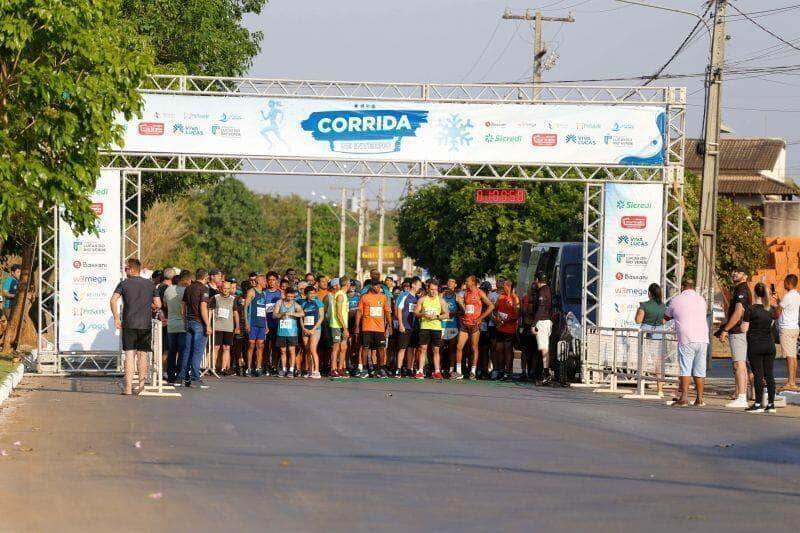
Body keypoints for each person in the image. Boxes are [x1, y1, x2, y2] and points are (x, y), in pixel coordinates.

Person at [109, 259, 161, 396]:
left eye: (126, 269)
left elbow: (113, 300)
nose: (125, 271)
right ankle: (141, 385)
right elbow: (158, 303)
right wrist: (149, 306)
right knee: (142, 355)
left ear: (131, 269)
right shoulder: (150, 285)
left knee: (129, 355)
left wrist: (116, 318)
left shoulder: (124, 284)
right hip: (145, 324)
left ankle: (127, 388)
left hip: (129, 323)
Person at [664, 278, 709, 407]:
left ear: (683, 287)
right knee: (700, 369)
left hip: (687, 338)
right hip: (702, 338)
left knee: (685, 369)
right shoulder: (701, 300)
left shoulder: (677, 300)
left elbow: (667, 316)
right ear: (693, 287)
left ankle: (683, 398)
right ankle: (699, 399)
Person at [716, 267, 752, 408]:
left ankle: (742, 397)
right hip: (737, 331)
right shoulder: (739, 289)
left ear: (745, 275)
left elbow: (738, 313)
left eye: (738, 272)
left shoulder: (742, 290)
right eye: (734, 271)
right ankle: (741, 395)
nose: (734, 273)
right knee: (739, 364)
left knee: (739, 364)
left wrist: (725, 329)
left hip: (737, 332)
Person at [741, 283, 777, 413]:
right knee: (769, 374)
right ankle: (771, 404)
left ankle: (757, 404)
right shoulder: (771, 309)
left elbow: (744, 328)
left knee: (758, 374)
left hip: (755, 345)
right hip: (769, 345)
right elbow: (772, 323)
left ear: (755, 293)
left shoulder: (751, 309)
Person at [455, 275, 494, 380]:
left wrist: (481, 317)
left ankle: (473, 371)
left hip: (474, 325)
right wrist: (460, 303)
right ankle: (458, 372)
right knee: (459, 346)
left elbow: (491, 306)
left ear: (472, 282)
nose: (466, 283)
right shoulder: (465, 293)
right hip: (465, 323)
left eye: (467, 281)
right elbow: (465, 308)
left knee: (474, 348)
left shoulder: (479, 292)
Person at [181, 268, 212, 389]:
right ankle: (195, 378)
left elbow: (182, 306)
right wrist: (208, 324)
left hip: (189, 321)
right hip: (199, 322)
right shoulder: (204, 289)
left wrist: (185, 320)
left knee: (187, 350)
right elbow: (203, 307)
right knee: (198, 351)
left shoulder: (188, 288)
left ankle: (183, 377)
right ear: (206, 277)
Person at [355, 278, 392, 378]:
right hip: (367, 327)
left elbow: (387, 312)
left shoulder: (383, 297)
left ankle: (381, 369)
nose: (377, 287)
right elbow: (359, 312)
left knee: (381, 349)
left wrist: (390, 326)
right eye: (375, 285)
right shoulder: (364, 297)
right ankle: (365, 369)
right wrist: (357, 327)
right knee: (365, 348)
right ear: (371, 286)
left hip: (380, 329)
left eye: (379, 285)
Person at [635, 283, 667, 396]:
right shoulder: (663, 306)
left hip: (645, 333)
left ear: (649, 293)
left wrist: (637, 311)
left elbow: (638, 320)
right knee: (658, 362)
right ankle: (660, 390)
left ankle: (640, 387)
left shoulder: (644, 305)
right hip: (658, 333)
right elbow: (664, 321)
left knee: (642, 360)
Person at [414, 279, 449, 380]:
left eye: (435, 289)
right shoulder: (422, 299)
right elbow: (415, 313)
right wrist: (423, 314)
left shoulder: (441, 301)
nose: (433, 291)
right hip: (425, 327)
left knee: (436, 350)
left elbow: (446, 314)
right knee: (422, 349)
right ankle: (420, 371)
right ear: (428, 289)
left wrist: (437, 316)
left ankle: (437, 371)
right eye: (431, 289)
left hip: (436, 328)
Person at [772, 273, 800, 391]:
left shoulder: (788, 296)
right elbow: (786, 307)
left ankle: (791, 382)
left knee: (789, 357)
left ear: (789, 283)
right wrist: (778, 299)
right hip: (794, 328)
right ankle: (793, 381)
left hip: (786, 329)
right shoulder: (797, 295)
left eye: (785, 282)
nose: (783, 284)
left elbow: (778, 312)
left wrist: (771, 316)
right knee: (793, 356)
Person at [163, 270, 191, 384]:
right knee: (183, 350)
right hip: (183, 323)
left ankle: (170, 375)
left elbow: (164, 304)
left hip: (171, 323)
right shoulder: (186, 291)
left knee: (172, 350)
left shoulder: (168, 289)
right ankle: (180, 374)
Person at [273, 287, 304, 377]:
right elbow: (274, 315)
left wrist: (292, 314)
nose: (290, 298)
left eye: (292, 296)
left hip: (292, 332)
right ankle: (283, 369)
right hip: (281, 331)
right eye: (288, 296)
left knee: (291, 350)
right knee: (283, 351)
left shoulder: (295, 304)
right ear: (285, 295)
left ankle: (291, 369)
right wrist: (281, 314)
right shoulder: (279, 302)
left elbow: (302, 313)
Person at [493, 279, 520, 381]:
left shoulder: (515, 298)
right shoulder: (501, 297)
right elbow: (495, 309)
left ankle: (508, 372)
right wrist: (497, 318)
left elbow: (517, 315)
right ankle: (500, 370)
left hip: (510, 330)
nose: (502, 286)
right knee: (499, 349)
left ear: (508, 286)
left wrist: (507, 320)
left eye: (504, 285)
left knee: (508, 350)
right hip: (500, 328)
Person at [531, 272, 554, 385]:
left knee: (544, 348)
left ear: (537, 280)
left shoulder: (542, 291)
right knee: (543, 348)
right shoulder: (547, 289)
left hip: (542, 321)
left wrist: (534, 324)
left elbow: (541, 308)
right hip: (546, 321)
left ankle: (546, 375)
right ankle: (543, 373)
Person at [211, 281, 239, 375]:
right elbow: (210, 311)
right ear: (220, 289)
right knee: (216, 347)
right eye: (224, 288)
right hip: (217, 326)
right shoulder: (215, 298)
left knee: (226, 348)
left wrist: (237, 326)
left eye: (227, 289)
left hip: (228, 327)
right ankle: (213, 367)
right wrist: (209, 324)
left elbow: (235, 313)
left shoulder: (233, 299)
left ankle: (223, 368)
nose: (225, 290)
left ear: (230, 289)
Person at [243, 274, 268, 377]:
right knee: (251, 344)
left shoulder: (264, 294)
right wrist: (246, 323)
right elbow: (245, 308)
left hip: (261, 323)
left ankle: (258, 367)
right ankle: (248, 367)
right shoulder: (251, 292)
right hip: (252, 323)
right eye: (264, 281)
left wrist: (266, 324)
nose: (266, 283)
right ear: (259, 281)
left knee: (260, 345)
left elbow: (264, 310)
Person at [394, 279, 419, 378]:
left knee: (411, 349)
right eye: (418, 285)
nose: (419, 287)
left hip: (414, 327)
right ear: (413, 285)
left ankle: (409, 369)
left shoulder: (417, 298)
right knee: (402, 348)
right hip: (404, 326)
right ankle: (398, 370)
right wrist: (400, 324)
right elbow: (399, 309)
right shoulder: (404, 295)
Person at [301, 285, 324, 379]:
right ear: (306, 294)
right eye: (310, 293)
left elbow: (321, 317)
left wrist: (314, 329)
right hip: (306, 329)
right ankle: (310, 370)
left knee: (312, 349)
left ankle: (317, 371)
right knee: (307, 349)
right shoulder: (303, 304)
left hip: (315, 329)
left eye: (314, 293)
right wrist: (303, 328)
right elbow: (301, 317)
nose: (312, 295)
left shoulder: (318, 302)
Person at [263, 272, 283, 374]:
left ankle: (274, 366)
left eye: (273, 280)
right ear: (267, 281)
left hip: (277, 324)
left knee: (275, 347)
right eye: (269, 280)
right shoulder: (264, 293)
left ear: (277, 281)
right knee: (265, 346)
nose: (271, 282)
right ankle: (266, 365)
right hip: (265, 324)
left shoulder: (280, 294)